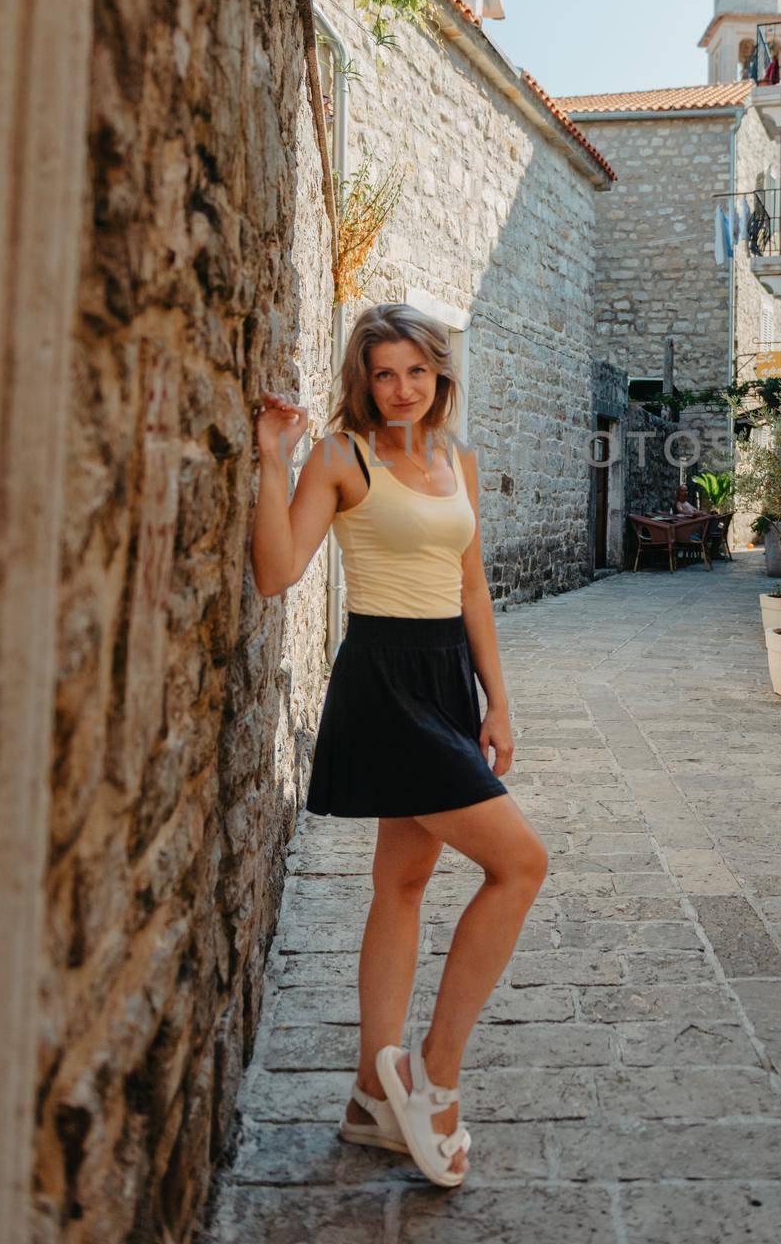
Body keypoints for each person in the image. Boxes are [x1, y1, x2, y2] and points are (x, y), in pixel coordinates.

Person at [250, 302, 548, 1188]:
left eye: (416, 371)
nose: (401, 389)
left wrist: (497, 701)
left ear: (439, 374)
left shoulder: (458, 459)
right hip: (383, 681)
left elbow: (474, 587)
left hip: (448, 681)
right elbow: (277, 571)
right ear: (363, 381)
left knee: (405, 880)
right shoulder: (343, 457)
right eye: (383, 374)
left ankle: (370, 1101)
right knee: (521, 864)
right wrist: (273, 462)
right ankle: (435, 1080)